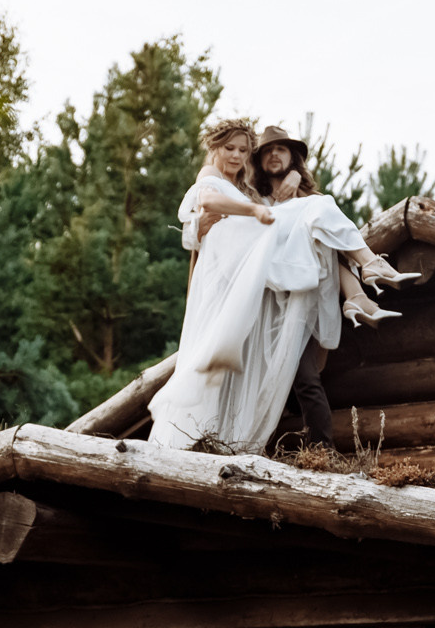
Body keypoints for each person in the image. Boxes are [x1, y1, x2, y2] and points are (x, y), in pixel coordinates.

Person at [149, 119, 416, 454]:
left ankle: (361, 287)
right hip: (250, 274)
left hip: (272, 275)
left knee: (318, 211)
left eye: (243, 150)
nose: (236, 156)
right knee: (319, 208)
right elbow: (206, 214)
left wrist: (281, 192)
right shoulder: (220, 182)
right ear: (214, 148)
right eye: (230, 148)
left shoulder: (252, 190)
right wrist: (246, 213)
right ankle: (364, 279)